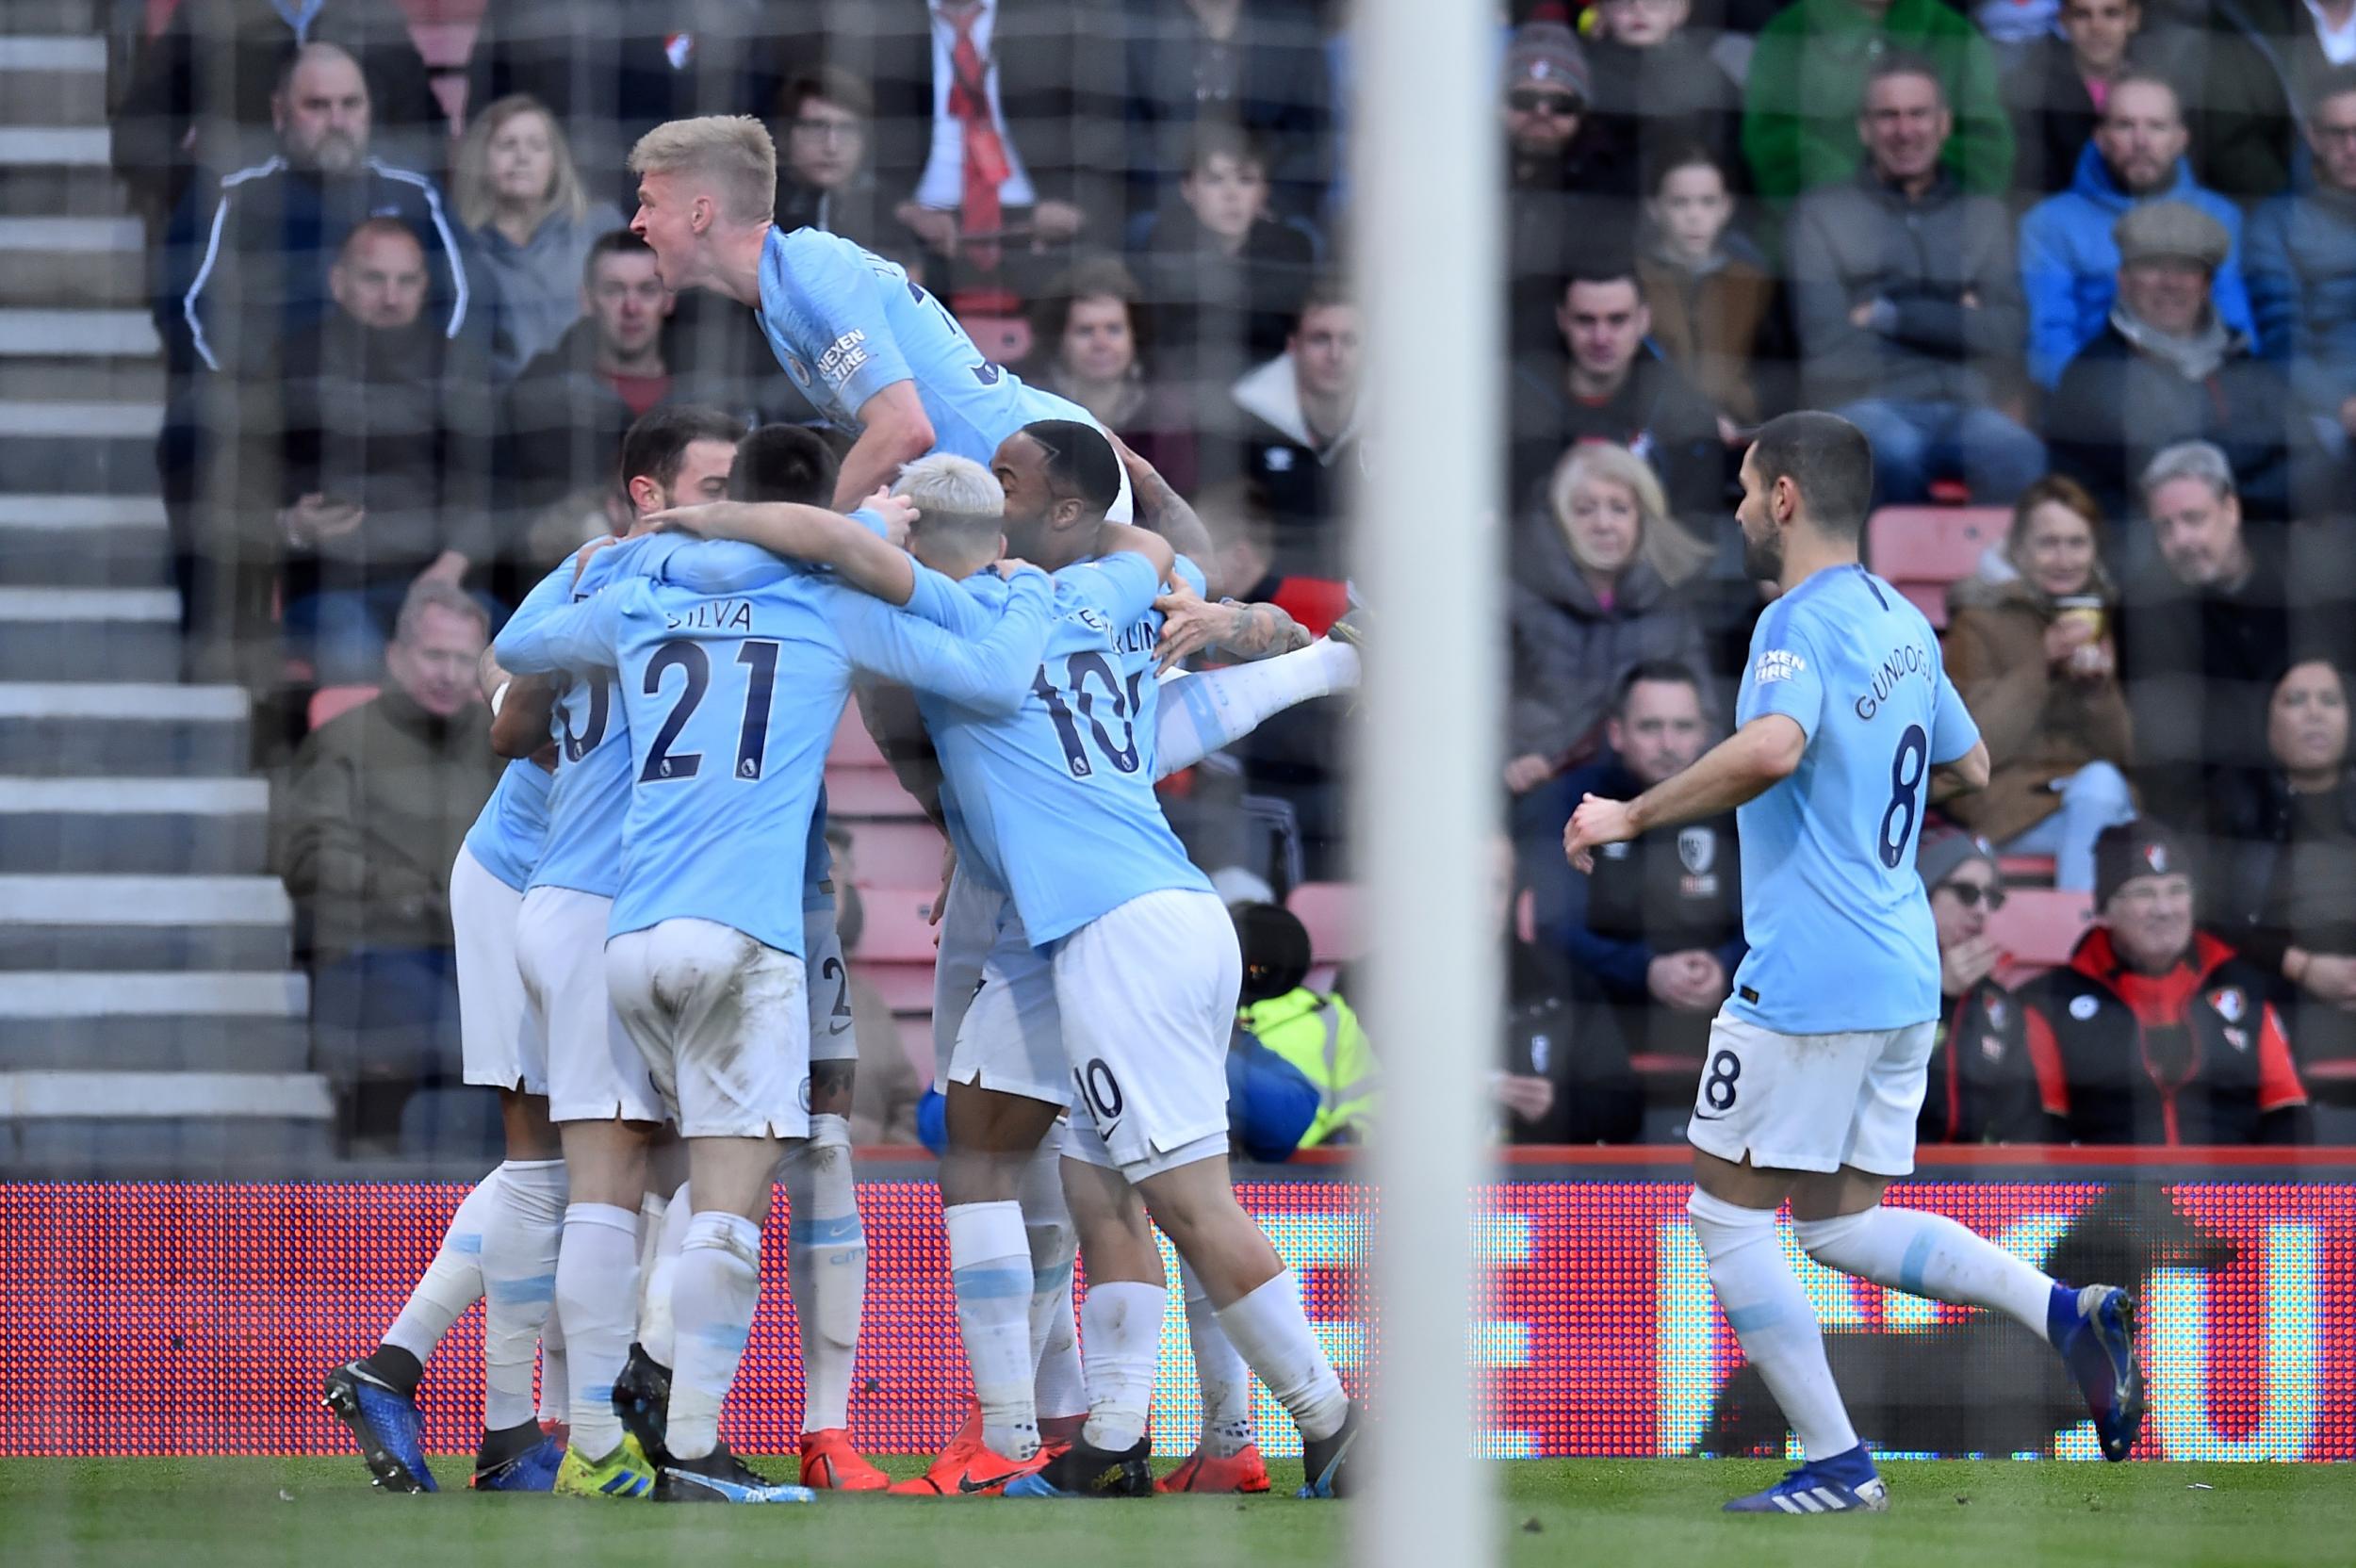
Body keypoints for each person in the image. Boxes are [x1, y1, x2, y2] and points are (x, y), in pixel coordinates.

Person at [657, 446, 1367, 1501]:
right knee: (999, 1139)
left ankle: (1334, 1423)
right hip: (1082, 925)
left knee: (1183, 1202)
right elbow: (1152, 537)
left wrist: (704, 521)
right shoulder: (1092, 583)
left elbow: (834, 553)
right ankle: (1064, 1433)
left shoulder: (948, 628)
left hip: (1119, 929)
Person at [1565, 410, 2143, 1513]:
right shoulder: (1902, 620)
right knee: (1837, 1221)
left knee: (1726, 1219)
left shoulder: (1793, 619)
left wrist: (1630, 812)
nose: (1735, 507)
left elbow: (1775, 743)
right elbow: (1970, 763)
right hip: (1900, 964)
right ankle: (2063, 1310)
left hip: (1812, 970)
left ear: (1784, 497)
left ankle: (1837, 1463)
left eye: (1743, 487)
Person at [497, 439, 1049, 1505]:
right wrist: (1013, 595)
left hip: (631, 937)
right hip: (744, 939)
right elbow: (992, 673)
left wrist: (599, 559)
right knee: (727, 1208)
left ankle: (608, 1420)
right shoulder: (827, 608)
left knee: (628, 1192)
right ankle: (689, 1439)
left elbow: (519, 643)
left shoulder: (640, 596)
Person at [480, 405, 744, 1504]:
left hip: (565, 900)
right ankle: (593, 1438)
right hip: (595, 906)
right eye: (715, 482)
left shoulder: (579, 581)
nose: (734, 502)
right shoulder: (686, 583)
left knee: (648, 1162)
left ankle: (611, 1412)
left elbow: (505, 723)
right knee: (605, 1173)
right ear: (651, 491)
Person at [623, 114, 1132, 515]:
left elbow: (905, 430)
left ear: (699, 213)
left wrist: (793, 535)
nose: (637, 222)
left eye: (649, 203)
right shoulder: (780, 287)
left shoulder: (807, 276)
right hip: (1012, 486)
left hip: (1059, 488)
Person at [321, 674, 565, 1495]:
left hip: (589, 898)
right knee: (553, 1152)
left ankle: (398, 1372)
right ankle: (509, 1435)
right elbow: (507, 700)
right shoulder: (608, 581)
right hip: (523, 882)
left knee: (581, 1154)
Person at [280, 580, 501, 1150]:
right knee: (444, 1034)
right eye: (434, 655)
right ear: (396, 656)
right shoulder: (344, 742)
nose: (449, 674)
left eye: (463, 659)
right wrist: (399, 890)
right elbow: (307, 854)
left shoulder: (508, 744)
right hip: (374, 950)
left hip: (483, 953)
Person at [1783, 57, 2044, 507]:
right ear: (1865, 128)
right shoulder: (1821, 214)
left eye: (1919, 114)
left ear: (1943, 124)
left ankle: (1992, 579)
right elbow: (1826, 350)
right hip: (1866, 409)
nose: (1905, 131)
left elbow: (2007, 334)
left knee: (2019, 454)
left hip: (1968, 408)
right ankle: (1887, 580)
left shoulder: (1982, 216)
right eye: (1889, 116)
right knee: (1894, 453)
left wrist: (1887, 313)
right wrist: (1958, 315)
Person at [266, 219, 497, 684]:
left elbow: (489, 487)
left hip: (444, 582)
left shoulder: (457, 365)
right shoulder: (292, 362)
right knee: (357, 661)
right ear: (338, 282)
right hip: (332, 587)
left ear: (423, 285)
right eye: (374, 279)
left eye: (405, 281)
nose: (391, 297)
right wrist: (290, 525)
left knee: (515, 659)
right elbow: (248, 486)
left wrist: (447, 571)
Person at [2019, 820, 2312, 1143]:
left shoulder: (2241, 987)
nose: (2165, 909)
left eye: (2177, 890)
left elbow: (2287, 1115)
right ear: (2106, 909)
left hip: (2226, 1190)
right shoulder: (2051, 1000)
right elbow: (2044, 1137)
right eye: (2144, 893)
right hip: (2116, 1193)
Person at [1525, 661, 1743, 1068]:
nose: (1667, 743)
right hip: (1597, 1027)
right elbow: (1553, 926)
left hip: (1732, 1018)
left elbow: (1773, 917)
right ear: (1616, 733)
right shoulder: (1573, 801)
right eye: (1650, 726)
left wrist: (1726, 967)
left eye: (1682, 727)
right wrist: (1647, 970)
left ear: (1704, 734)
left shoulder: (1738, 805)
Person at [2044, 202, 2305, 523]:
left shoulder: (2242, 359)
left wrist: (2227, 496)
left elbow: (2314, 465)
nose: (2170, 282)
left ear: (2207, 285)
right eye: (2152, 265)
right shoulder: (2095, 372)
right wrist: (2262, 451)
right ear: (2123, 280)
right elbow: (2174, 474)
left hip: (2253, 549)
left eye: (2185, 267)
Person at [1939, 476, 2136, 890]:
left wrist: (2097, 692)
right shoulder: (1977, 621)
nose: (2064, 558)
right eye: (2049, 543)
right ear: (2018, 549)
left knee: (2108, 794)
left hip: (2089, 803)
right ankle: (2078, 934)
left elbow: (2122, 754)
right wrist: (2042, 665)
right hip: (2008, 813)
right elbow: (1975, 747)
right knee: (2112, 821)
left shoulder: (2097, 616)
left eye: (2077, 543)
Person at [110, 0, 442, 233]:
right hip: (243, 236)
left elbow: (425, 131)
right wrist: (204, 194)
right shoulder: (209, 12)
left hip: (361, 227)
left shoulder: (373, 13)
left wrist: (383, 195)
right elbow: (135, 135)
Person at [2018, 73, 2254, 392]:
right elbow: (2050, 340)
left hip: (2205, 394)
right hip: (2097, 395)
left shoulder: (2219, 215)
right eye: (2125, 125)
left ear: (2181, 139)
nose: (2141, 141)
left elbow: (2235, 323)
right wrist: (2087, 398)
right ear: (2100, 138)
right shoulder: (2049, 222)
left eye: (2156, 126)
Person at [2114, 441, 2300, 832]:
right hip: (2216, 811)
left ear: (2231, 509)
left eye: (2194, 519)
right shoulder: (2145, 611)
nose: (2181, 540)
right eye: (2166, 527)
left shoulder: (2298, 570)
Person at [1506, 447, 1713, 795]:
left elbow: (1707, 718)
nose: (1603, 524)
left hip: (1650, 799)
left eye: (1619, 509)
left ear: (1641, 518)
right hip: (1540, 795)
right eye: (1585, 510)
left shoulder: (1671, 608)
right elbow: (1480, 703)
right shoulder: (1514, 599)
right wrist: (1511, 761)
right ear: (1559, 519)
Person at [462, 0, 787, 204]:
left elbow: (756, 116)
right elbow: (486, 109)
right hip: (561, 213)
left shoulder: (727, 15)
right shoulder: (526, 10)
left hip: (686, 209)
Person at [2204, 659, 2356, 1077]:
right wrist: (2303, 966)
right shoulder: (2233, 798)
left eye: (2329, 701)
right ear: (2268, 721)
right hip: (2271, 985)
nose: (2314, 713)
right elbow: (2213, 914)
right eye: (2296, 700)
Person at [1506, 262, 1726, 527]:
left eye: (1617, 319)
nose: (1601, 337)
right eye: (1585, 320)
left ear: (1644, 320)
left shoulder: (1685, 415)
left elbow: (1694, 539)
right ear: (1562, 319)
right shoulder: (1517, 408)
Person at [1741, 0, 2016, 205]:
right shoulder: (1788, 32)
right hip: (1823, 240)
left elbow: (1986, 150)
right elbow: (1771, 142)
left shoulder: (1957, 35)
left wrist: (1922, 191)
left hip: (1944, 238)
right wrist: (1852, 195)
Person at [452, 96, 628, 384]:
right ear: (481, 159)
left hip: (604, 399)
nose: (522, 157)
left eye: (537, 145)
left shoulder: (599, 226)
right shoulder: (462, 250)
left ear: (555, 161)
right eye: (508, 145)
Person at [1134, 122, 1319, 383]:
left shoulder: (1293, 248)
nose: (1231, 195)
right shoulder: (1163, 246)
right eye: (1215, 180)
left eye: (1246, 180)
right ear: (1187, 189)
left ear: (1264, 191)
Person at [1121, 0, 1334, 227]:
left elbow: (1313, 140)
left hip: (1272, 215)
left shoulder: (1293, 24)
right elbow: (1123, 138)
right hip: (1161, 213)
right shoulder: (1132, 22)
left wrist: (1266, 200)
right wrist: (1188, 200)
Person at [2245, 67, 2356, 482]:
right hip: (2324, 409)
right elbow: (2282, 344)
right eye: (2337, 133)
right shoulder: (2276, 222)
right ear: (2312, 136)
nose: (2352, 147)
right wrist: (2342, 405)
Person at [1216, 277, 1366, 577]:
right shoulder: (1246, 417)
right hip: (1274, 596)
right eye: (1321, 338)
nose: (1335, 355)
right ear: (1293, 346)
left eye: (1349, 340)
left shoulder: (1401, 418)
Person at [1500, 23, 1640, 344]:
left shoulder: (1610, 181)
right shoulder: (1464, 175)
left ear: (1583, 111)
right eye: (1524, 99)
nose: (1542, 112)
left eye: (1561, 104)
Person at [1635, 144, 1786, 437]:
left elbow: (1774, 372)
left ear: (1726, 207)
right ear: (1654, 208)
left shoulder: (1754, 283)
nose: (1694, 215)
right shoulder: (1635, 281)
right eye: (1680, 202)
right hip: (1659, 433)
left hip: (1745, 435)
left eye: (1707, 202)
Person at [1914, 826, 2053, 1143]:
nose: (1982, 910)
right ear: (1923, 891)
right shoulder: (1876, 980)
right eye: (1966, 892)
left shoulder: (1997, 1004)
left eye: (1992, 897)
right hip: (1888, 1182)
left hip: (1972, 1186)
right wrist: (1938, 996)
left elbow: (2020, 1124)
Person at [1023, 256, 1199, 494]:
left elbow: (1181, 498)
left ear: (1134, 334)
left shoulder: (1166, 409)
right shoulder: (1030, 403)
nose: (1101, 343)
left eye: (1114, 329)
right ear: (1059, 339)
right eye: (1085, 331)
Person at [2002, 0, 2191, 197]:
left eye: (2111, 13)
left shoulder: (2166, 84)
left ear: (2133, 18)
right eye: (2082, 14)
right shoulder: (2031, 90)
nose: (2097, 27)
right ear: (2063, 20)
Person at [1229, 902, 1378, 1150]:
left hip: (1313, 1173)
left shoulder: (1329, 1013)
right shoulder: (1202, 1009)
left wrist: (1346, 1136)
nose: (1253, 965)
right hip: (1231, 1169)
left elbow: (1370, 1093)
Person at [773, 69, 888, 251]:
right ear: (784, 135)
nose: (831, 146)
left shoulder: (890, 213)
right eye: (815, 127)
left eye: (847, 129)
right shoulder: (756, 210)